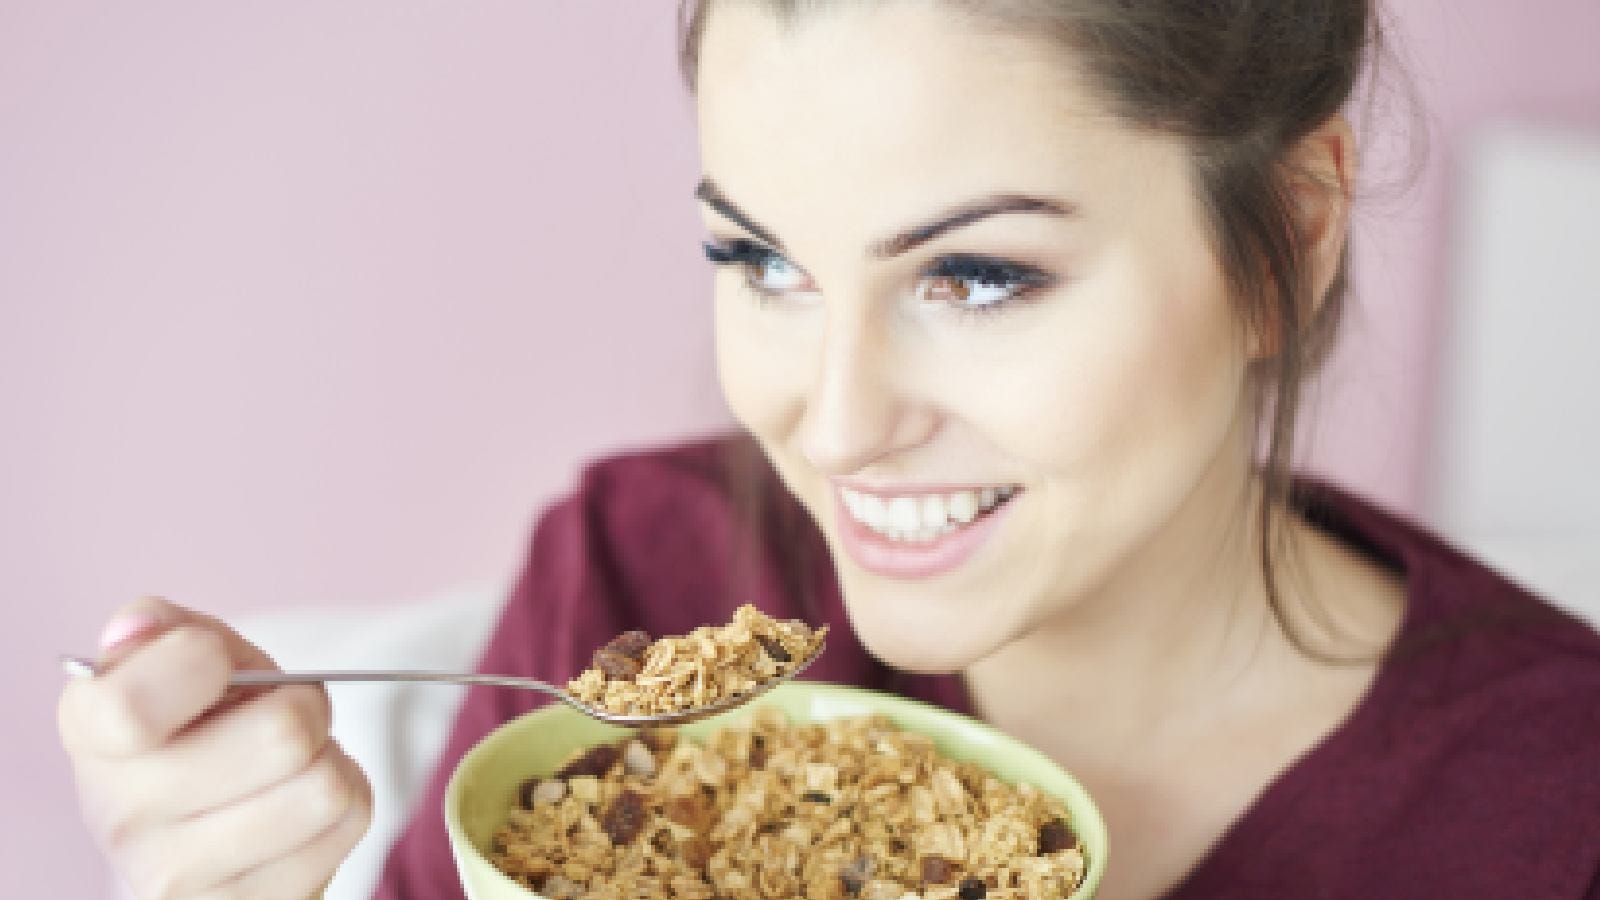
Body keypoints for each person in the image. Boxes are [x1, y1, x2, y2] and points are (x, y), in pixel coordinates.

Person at [57, 1, 1600, 898]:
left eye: (976, 276)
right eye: (765, 264)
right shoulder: (633, 577)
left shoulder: (1552, 806)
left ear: (1291, 239)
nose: (836, 424)